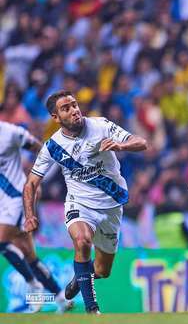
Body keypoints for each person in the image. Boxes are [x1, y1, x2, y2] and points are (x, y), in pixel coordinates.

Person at [23, 91, 147, 314]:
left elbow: (141, 142)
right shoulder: (53, 146)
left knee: (102, 270)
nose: (74, 110)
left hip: (111, 205)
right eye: (66, 108)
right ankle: (92, 310)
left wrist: (122, 146)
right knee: (82, 242)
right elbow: (31, 183)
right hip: (79, 204)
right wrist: (30, 214)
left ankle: (78, 278)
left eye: (74, 105)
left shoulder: (100, 125)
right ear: (55, 117)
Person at [0, 120, 72, 313]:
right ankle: (60, 297)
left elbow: (41, 150)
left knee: (1, 241)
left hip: (17, 196)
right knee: (29, 255)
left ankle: (33, 283)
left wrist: (35, 181)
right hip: (2, 204)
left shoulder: (10, 133)